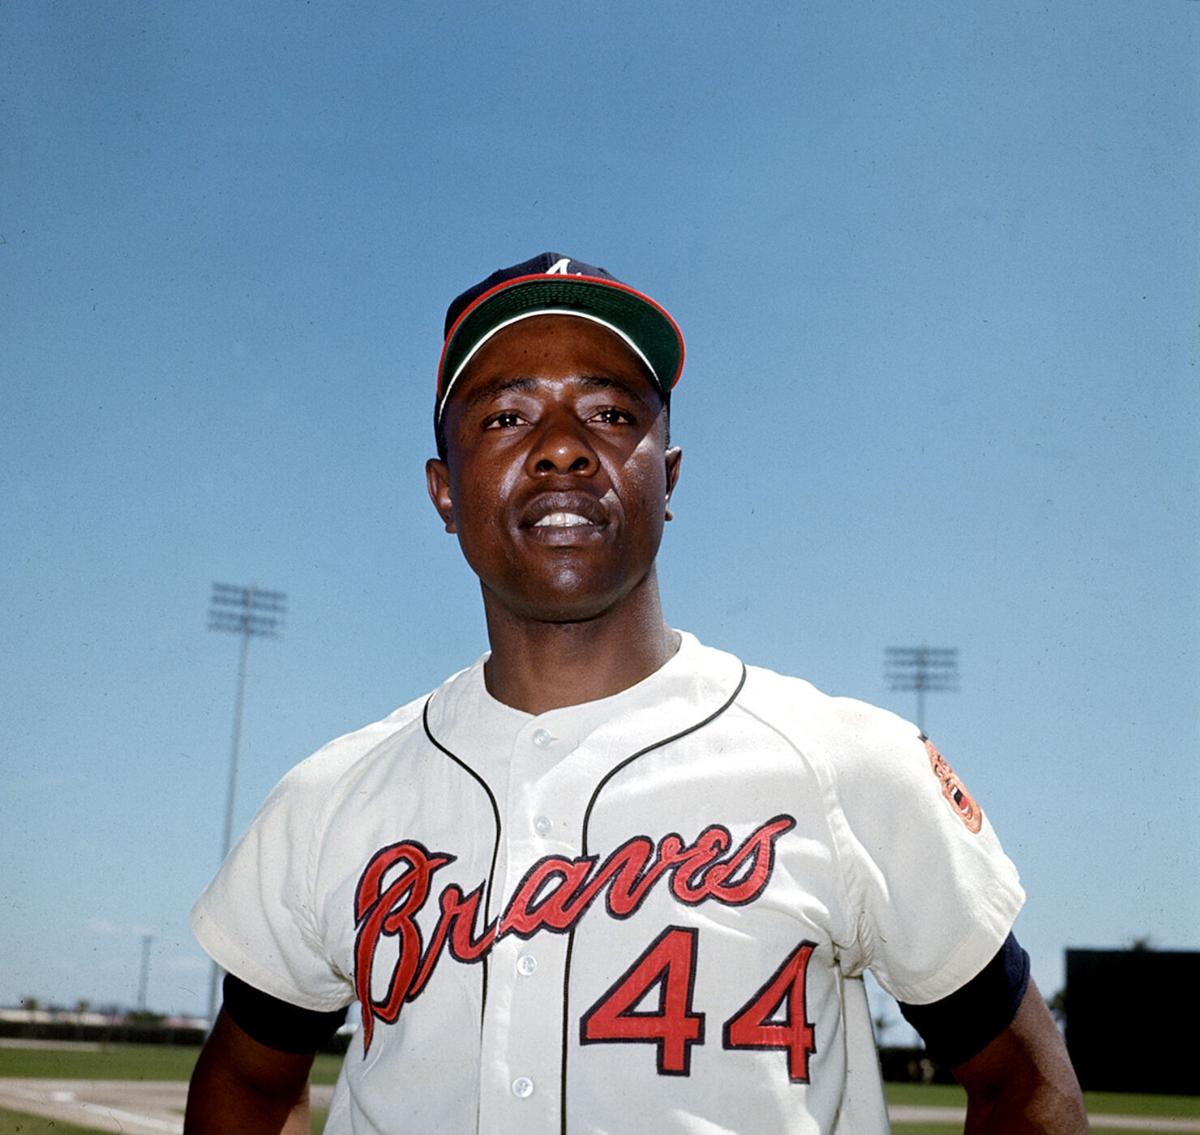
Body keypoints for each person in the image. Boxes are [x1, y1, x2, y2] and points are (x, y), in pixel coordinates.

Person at [185, 253, 1087, 1134]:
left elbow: (1025, 1087)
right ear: (443, 491)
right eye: (505, 416)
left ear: (670, 479)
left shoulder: (846, 767)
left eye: (612, 412)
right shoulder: (334, 798)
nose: (564, 447)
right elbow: (248, 1083)